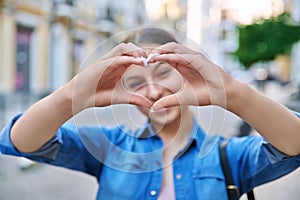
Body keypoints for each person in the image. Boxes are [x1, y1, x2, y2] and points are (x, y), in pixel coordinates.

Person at [0, 27, 299, 200]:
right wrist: (72, 96)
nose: (154, 91)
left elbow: (294, 146)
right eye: (136, 82)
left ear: (187, 75)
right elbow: (22, 142)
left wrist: (232, 93)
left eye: (164, 73)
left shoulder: (228, 156)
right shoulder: (108, 146)